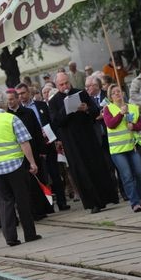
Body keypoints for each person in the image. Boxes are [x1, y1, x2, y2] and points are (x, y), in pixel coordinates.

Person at [49, 73, 119, 213]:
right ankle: (92, 203)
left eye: (67, 83)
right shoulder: (54, 101)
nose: (65, 86)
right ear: (57, 86)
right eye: (62, 84)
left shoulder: (81, 93)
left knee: (97, 167)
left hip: (88, 138)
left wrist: (86, 108)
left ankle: (106, 198)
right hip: (71, 143)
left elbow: (95, 112)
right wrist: (66, 109)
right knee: (82, 172)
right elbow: (55, 122)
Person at [0, 92, 42, 247]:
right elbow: (24, 143)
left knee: (5, 202)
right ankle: (29, 234)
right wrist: (32, 163)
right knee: (22, 200)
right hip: (15, 165)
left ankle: (10, 238)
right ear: (6, 103)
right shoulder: (12, 118)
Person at [15, 83, 69, 212]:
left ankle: (62, 202)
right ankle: (47, 206)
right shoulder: (18, 112)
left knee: (55, 173)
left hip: (49, 142)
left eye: (23, 93)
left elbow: (52, 121)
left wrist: (55, 137)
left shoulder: (41, 105)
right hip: (33, 147)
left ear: (28, 92)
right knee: (41, 177)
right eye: (19, 94)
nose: (21, 96)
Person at [6, 89, 54, 218]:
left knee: (39, 180)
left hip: (33, 152)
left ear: (17, 99)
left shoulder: (28, 112)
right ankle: (32, 211)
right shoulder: (7, 116)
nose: (9, 102)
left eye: (11, 99)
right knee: (25, 184)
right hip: (17, 155)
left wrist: (42, 149)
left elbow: (37, 132)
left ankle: (42, 209)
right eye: (8, 100)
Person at [103, 85, 141, 213]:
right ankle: (134, 203)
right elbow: (110, 124)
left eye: (119, 91)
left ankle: (140, 196)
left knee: (140, 172)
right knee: (127, 175)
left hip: (132, 146)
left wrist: (133, 126)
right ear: (110, 97)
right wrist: (120, 114)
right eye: (114, 93)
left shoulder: (132, 107)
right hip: (117, 150)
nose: (117, 94)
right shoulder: (108, 109)